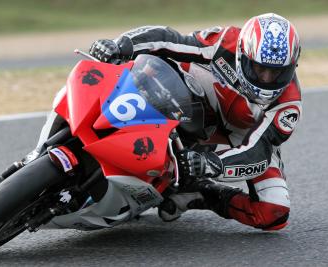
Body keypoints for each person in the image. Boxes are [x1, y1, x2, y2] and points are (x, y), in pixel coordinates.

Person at [89, 13, 301, 231]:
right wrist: (121, 45)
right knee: (141, 67)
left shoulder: (288, 106)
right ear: (242, 55)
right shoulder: (225, 42)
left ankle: (198, 193)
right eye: (258, 68)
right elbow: (171, 39)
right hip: (196, 93)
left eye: (276, 72)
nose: (266, 79)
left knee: (273, 211)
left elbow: (258, 152)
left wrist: (211, 164)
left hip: (243, 133)